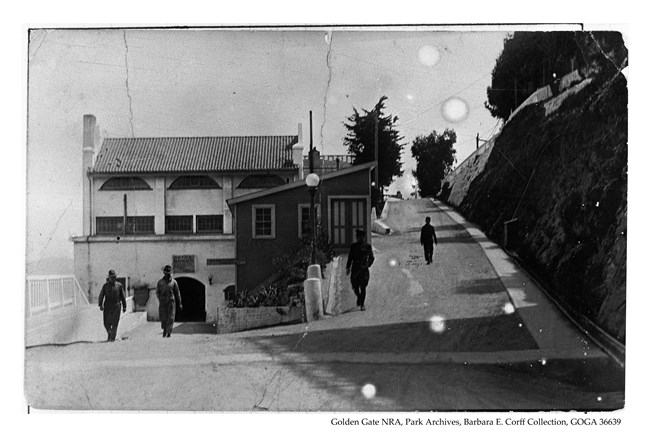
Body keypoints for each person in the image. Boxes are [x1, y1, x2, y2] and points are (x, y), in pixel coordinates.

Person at [346, 229, 374, 311]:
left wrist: (368, 264)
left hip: (364, 270)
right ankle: (359, 297)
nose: (358, 238)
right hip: (355, 269)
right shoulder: (353, 246)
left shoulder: (367, 246)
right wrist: (348, 267)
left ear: (362, 237)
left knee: (363, 287)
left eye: (359, 237)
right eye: (357, 237)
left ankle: (362, 304)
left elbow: (371, 258)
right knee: (355, 286)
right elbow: (350, 257)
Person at [98, 269, 127, 342]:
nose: (113, 278)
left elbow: (122, 296)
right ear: (109, 278)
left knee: (115, 323)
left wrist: (124, 306)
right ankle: (110, 333)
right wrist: (100, 305)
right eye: (111, 277)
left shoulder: (119, 286)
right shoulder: (105, 286)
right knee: (106, 323)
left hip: (116, 306)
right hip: (107, 306)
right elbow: (101, 295)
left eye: (114, 277)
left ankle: (112, 339)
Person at [156, 265, 182, 338]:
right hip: (163, 302)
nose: (168, 275)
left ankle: (169, 332)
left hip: (171, 301)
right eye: (166, 273)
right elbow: (157, 291)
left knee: (171, 317)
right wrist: (160, 299)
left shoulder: (174, 282)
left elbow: (177, 293)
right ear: (164, 273)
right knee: (163, 316)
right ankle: (164, 329)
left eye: (169, 273)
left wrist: (179, 303)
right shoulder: (160, 282)